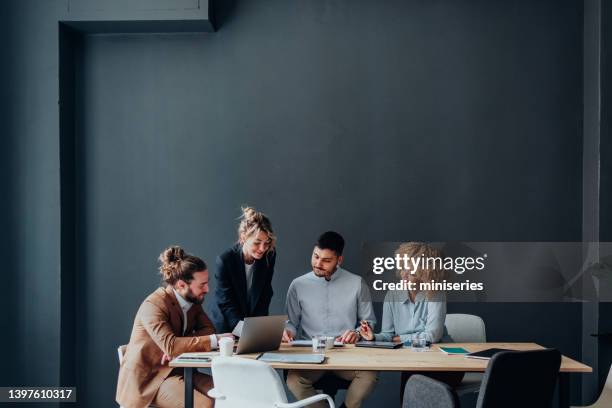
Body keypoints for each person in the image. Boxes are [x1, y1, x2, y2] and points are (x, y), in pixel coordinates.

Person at [116, 246, 233, 408]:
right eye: (202, 285)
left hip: (180, 371)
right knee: (203, 404)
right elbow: (172, 346)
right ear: (181, 285)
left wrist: (179, 346)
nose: (207, 290)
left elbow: (208, 330)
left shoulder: (193, 301)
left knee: (229, 391)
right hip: (150, 380)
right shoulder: (154, 305)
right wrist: (176, 346)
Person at [359, 242, 462, 405]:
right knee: (412, 378)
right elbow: (388, 335)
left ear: (425, 274)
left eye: (412, 272)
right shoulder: (392, 295)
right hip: (413, 362)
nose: (404, 275)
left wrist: (399, 339)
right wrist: (374, 337)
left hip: (444, 362)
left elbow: (433, 336)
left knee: (414, 380)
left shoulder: (436, 293)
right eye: (403, 269)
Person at [283, 231, 377, 408]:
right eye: (316, 256)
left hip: (347, 354)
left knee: (370, 375)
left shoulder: (357, 283)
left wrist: (357, 332)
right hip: (311, 353)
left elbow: (368, 322)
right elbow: (291, 322)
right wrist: (287, 331)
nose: (318, 264)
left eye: (326, 260)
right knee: (294, 380)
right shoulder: (297, 285)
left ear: (339, 260)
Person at [208, 206, 277, 333]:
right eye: (257, 242)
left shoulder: (269, 255)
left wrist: (259, 328)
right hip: (226, 327)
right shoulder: (225, 260)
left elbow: (265, 293)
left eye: (266, 243)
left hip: (251, 326)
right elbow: (226, 302)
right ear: (243, 237)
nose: (262, 248)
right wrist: (244, 331)